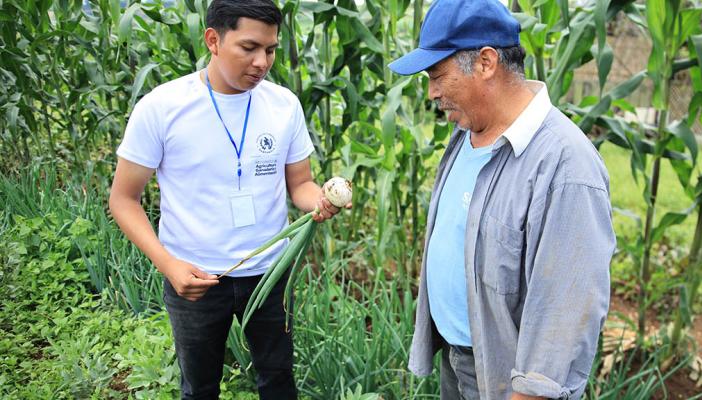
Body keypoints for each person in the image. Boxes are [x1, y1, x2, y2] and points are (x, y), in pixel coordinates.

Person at [108, 1, 345, 398]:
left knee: (278, 379)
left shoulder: (284, 105)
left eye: (269, 50)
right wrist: (169, 266)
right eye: (249, 48)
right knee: (199, 388)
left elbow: (300, 184)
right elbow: (123, 199)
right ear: (213, 40)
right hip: (195, 278)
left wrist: (318, 200)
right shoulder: (162, 108)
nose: (261, 62)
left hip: (269, 272)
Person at [388, 0, 615, 399]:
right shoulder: (466, 134)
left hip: (506, 383)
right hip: (459, 360)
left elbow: (567, 309)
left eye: (438, 76)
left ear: (486, 62)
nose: (432, 92)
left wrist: (527, 393)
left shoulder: (566, 165)